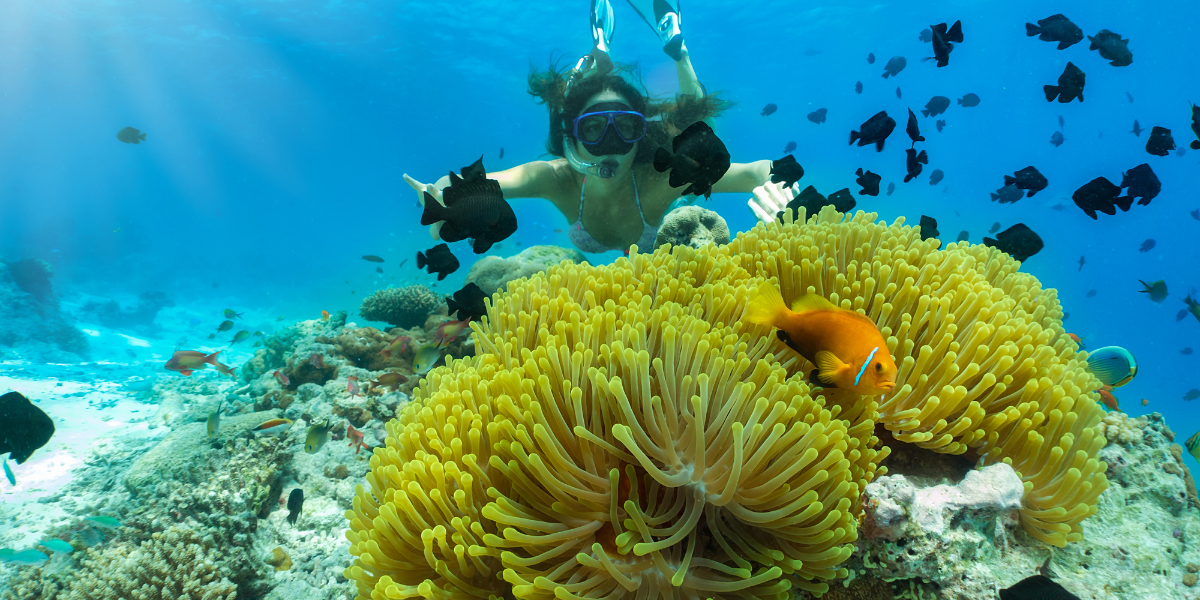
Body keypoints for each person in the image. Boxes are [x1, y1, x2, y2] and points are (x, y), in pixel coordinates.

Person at [405, 0, 801, 254]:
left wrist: (784, 190)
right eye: (593, 130)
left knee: (701, 130)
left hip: (672, 155)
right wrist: (437, 198)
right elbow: (461, 184)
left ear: (640, 133)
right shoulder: (553, 178)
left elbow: (757, 171)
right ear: (573, 136)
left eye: (626, 127)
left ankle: (678, 50)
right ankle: (598, 55)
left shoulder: (662, 177)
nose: (611, 143)